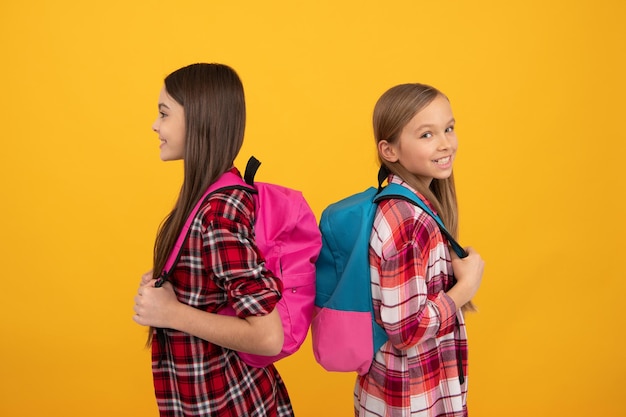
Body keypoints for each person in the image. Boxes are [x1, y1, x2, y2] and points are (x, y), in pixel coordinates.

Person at [132, 63, 293, 417]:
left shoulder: (218, 211)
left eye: (164, 113)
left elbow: (268, 337)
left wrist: (172, 311)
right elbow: (216, 282)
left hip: (231, 404)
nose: (155, 125)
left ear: (200, 120)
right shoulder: (211, 195)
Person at [354, 83, 485, 416]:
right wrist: (466, 287)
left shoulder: (406, 207)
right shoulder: (409, 220)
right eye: (426, 135)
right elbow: (407, 330)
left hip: (401, 391)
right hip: (411, 399)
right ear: (390, 151)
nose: (445, 143)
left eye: (448, 128)